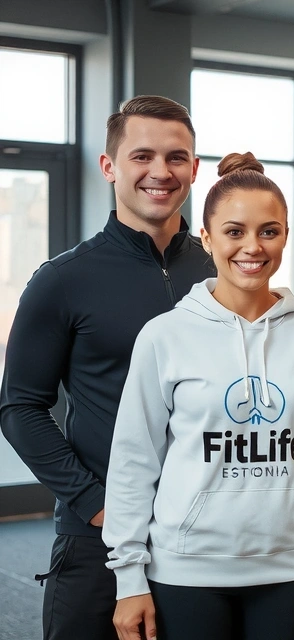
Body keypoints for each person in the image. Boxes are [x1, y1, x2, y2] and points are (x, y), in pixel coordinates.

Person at [102, 152, 294, 640]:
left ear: (286, 235)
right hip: (185, 569)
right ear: (207, 238)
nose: (252, 247)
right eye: (234, 231)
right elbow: (134, 461)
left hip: (289, 568)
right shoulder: (165, 335)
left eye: (269, 231)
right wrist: (128, 576)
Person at [0, 95, 215, 640]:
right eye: (142, 156)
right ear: (109, 166)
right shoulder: (63, 279)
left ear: (194, 168)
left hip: (207, 535)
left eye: (176, 157)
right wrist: (95, 504)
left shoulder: (222, 272)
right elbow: (20, 406)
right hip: (98, 538)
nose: (160, 172)